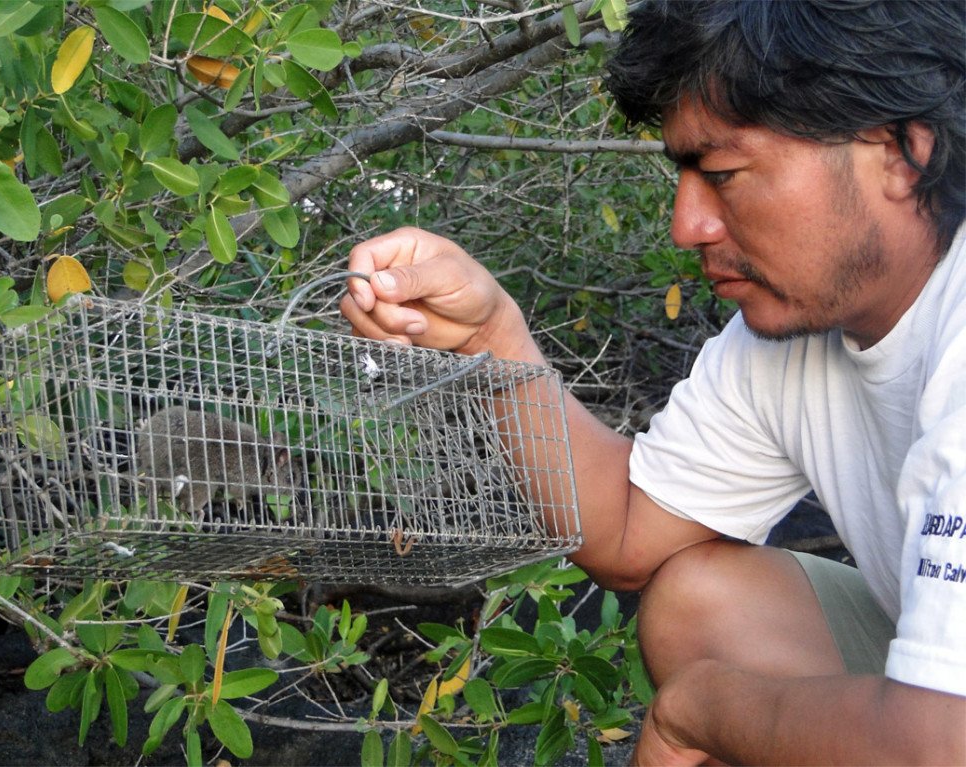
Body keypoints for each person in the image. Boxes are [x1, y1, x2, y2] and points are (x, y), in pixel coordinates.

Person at [340, 1, 966, 763]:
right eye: (683, 175)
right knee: (700, 606)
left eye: (724, 174)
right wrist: (488, 338)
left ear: (904, 153)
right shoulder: (791, 333)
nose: (687, 224)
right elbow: (631, 535)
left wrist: (696, 712)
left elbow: (937, 744)